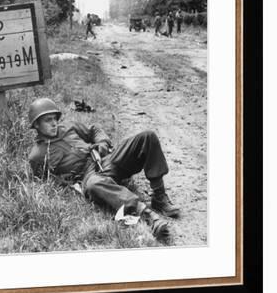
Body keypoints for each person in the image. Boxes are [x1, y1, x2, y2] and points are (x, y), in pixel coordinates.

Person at [27, 98, 180, 241]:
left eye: (55, 118)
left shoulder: (68, 127)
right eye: (48, 120)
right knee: (94, 184)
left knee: (147, 136)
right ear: (36, 125)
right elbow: (47, 183)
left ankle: (159, 197)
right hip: (88, 176)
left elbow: (94, 130)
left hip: (104, 160)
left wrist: (102, 143)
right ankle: (148, 216)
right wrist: (70, 184)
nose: (54, 123)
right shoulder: (37, 155)